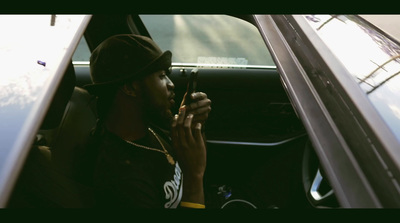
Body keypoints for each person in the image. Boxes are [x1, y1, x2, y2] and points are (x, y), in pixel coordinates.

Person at [84, 34, 211, 208]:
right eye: (161, 76)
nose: (171, 84)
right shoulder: (121, 177)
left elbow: (194, 161)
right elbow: (194, 172)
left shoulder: (150, 126)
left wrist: (194, 125)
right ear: (130, 88)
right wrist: (194, 176)